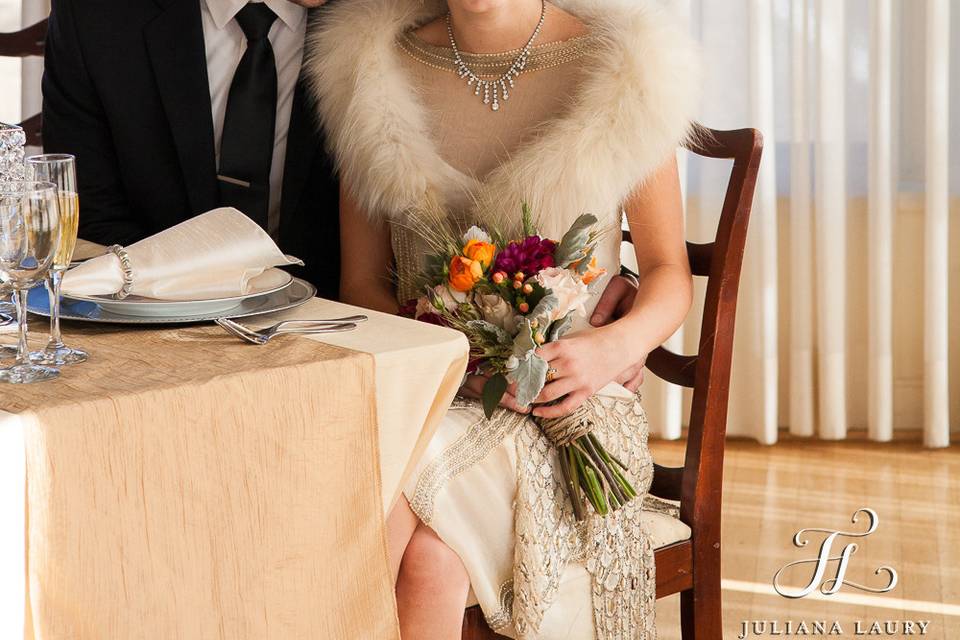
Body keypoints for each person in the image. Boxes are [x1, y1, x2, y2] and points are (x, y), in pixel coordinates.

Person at [308, 0, 700, 637]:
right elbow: (361, 285)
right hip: (428, 394)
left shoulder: (627, 68)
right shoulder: (367, 71)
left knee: (387, 496)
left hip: (569, 407)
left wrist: (609, 348)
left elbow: (667, 272)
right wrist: (448, 361)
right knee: (432, 559)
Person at [41, 0, 339, 297]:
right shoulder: (95, 14)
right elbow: (88, 210)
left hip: (330, 311)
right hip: (148, 306)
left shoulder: (373, 17)